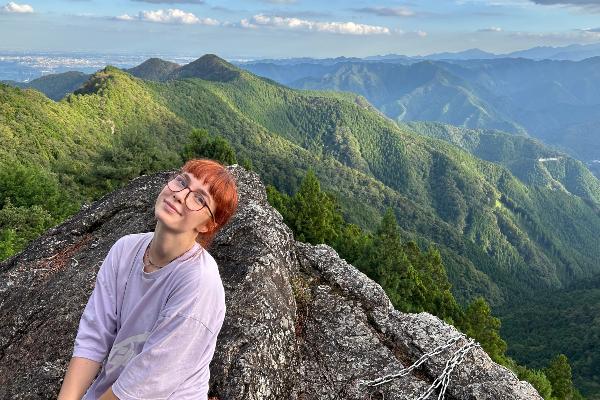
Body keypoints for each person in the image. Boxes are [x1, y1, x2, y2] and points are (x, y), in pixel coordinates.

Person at [57, 158, 239, 400]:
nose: (180, 195)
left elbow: (149, 381)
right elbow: (94, 336)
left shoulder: (199, 283)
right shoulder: (126, 249)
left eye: (199, 198)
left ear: (207, 226)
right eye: (182, 181)